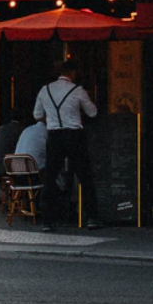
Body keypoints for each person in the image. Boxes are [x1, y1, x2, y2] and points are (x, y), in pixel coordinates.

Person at [33, 60, 100, 231]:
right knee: (84, 176)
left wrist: (53, 119)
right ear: (72, 73)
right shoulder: (78, 91)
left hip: (54, 135)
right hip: (74, 135)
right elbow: (93, 112)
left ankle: (47, 220)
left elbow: (37, 114)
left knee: (50, 176)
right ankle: (91, 217)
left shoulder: (45, 90)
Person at [0, 112, 25, 182]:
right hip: (15, 168)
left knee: (4, 187)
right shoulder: (23, 130)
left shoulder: (1, 129)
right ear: (22, 120)